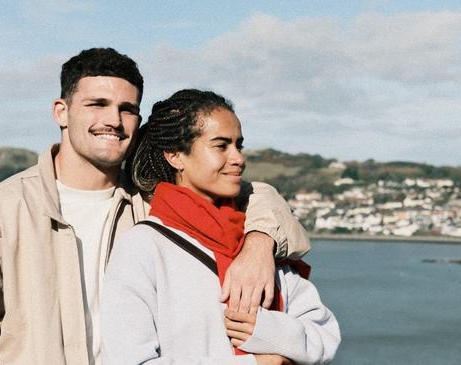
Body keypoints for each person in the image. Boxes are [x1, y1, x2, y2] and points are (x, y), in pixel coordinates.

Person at [0, 48, 310, 364]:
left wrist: (259, 242)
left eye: (127, 108)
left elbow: (257, 194)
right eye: (97, 104)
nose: (113, 121)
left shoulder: (155, 203)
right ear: (61, 112)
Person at [101, 89, 340, 365]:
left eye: (238, 145)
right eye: (221, 145)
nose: (238, 158)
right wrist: (256, 363)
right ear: (175, 155)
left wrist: (269, 331)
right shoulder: (143, 246)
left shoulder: (260, 242)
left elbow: (325, 334)